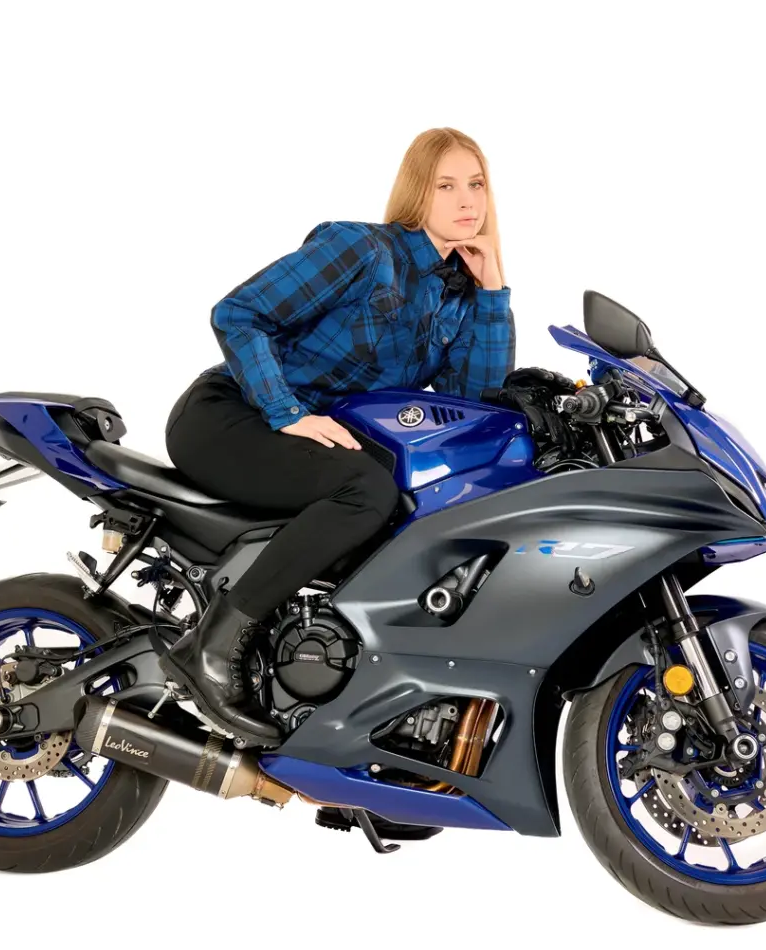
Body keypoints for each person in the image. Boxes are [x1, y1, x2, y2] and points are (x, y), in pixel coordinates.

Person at [161, 127, 516, 746]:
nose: (468, 200)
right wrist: (286, 411)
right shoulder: (363, 250)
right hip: (231, 413)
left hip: (312, 436)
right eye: (446, 186)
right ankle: (212, 648)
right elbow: (238, 314)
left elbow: (470, 404)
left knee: (419, 497)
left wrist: (491, 292)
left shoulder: (458, 293)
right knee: (366, 492)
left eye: (477, 184)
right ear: (418, 192)